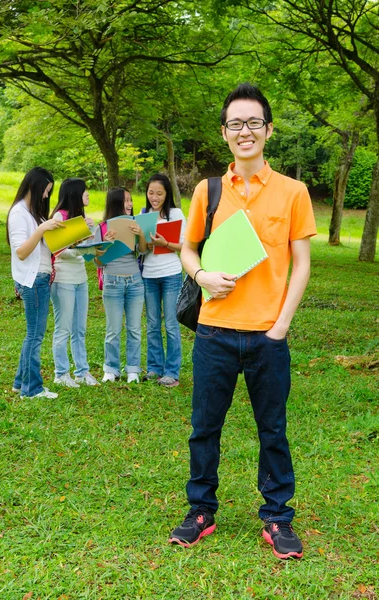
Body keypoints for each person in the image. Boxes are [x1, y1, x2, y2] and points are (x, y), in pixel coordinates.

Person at [169, 83, 317, 559]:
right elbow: (187, 247)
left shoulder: (294, 192)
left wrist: (281, 327)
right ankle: (200, 510)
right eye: (236, 123)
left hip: (266, 337)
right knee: (203, 427)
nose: (245, 131)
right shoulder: (207, 190)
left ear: (268, 131)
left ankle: (277, 517)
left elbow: (302, 262)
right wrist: (202, 274)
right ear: (225, 133)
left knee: (272, 429)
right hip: (213, 331)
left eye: (254, 122)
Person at [7, 167, 63, 399]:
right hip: (33, 281)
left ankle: (21, 383)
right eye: (45, 191)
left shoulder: (34, 213)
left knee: (33, 334)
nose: (46, 196)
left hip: (40, 277)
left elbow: (44, 248)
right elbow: (21, 252)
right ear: (34, 186)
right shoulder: (19, 213)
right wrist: (41, 229)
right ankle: (32, 389)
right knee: (35, 336)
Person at [50, 178, 100, 387]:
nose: (87, 194)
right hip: (63, 279)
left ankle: (82, 372)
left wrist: (93, 234)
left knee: (80, 329)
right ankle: (61, 373)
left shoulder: (82, 218)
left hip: (80, 278)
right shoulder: (59, 217)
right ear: (74, 194)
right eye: (84, 191)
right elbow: (58, 251)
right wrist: (85, 247)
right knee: (63, 328)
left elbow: (86, 250)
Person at [95, 187, 146, 384]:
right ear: (116, 202)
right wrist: (103, 246)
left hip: (134, 281)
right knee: (113, 329)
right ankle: (111, 369)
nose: (130, 204)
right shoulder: (101, 228)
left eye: (131, 200)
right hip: (112, 281)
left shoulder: (134, 224)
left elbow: (142, 251)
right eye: (126, 200)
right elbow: (98, 263)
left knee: (134, 328)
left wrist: (140, 234)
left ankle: (133, 369)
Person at [142, 174, 186, 388]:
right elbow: (139, 248)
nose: (154, 197)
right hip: (148, 275)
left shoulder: (175, 214)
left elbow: (186, 245)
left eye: (159, 193)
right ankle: (154, 368)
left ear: (167, 194)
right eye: (151, 193)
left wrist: (165, 242)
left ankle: (171, 372)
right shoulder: (144, 214)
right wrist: (144, 244)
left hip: (170, 273)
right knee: (152, 324)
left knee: (170, 324)